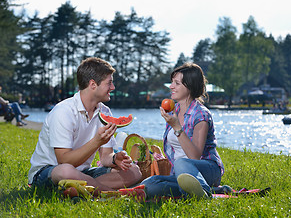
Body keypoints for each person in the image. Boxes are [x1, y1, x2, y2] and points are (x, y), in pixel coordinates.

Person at [28, 57, 142, 197]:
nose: (113, 88)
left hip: (83, 172)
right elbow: (64, 160)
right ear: (93, 84)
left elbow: (105, 156)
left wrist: (114, 159)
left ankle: (78, 188)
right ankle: (113, 194)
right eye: (109, 83)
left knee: (134, 171)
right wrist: (96, 141)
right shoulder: (63, 111)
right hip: (48, 172)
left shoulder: (104, 112)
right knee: (66, 171)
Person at [141, 62, 224, 199]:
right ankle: (209, 191)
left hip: (206, 169)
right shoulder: (175, 110)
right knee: (149, 184)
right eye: (172, 82)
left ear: (189, 86)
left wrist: (177, 127)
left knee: (182, 163)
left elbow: (195, 156)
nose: (171, 86)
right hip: (179, 175)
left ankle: (205, 193)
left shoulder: (201, 115)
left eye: (177, 83)